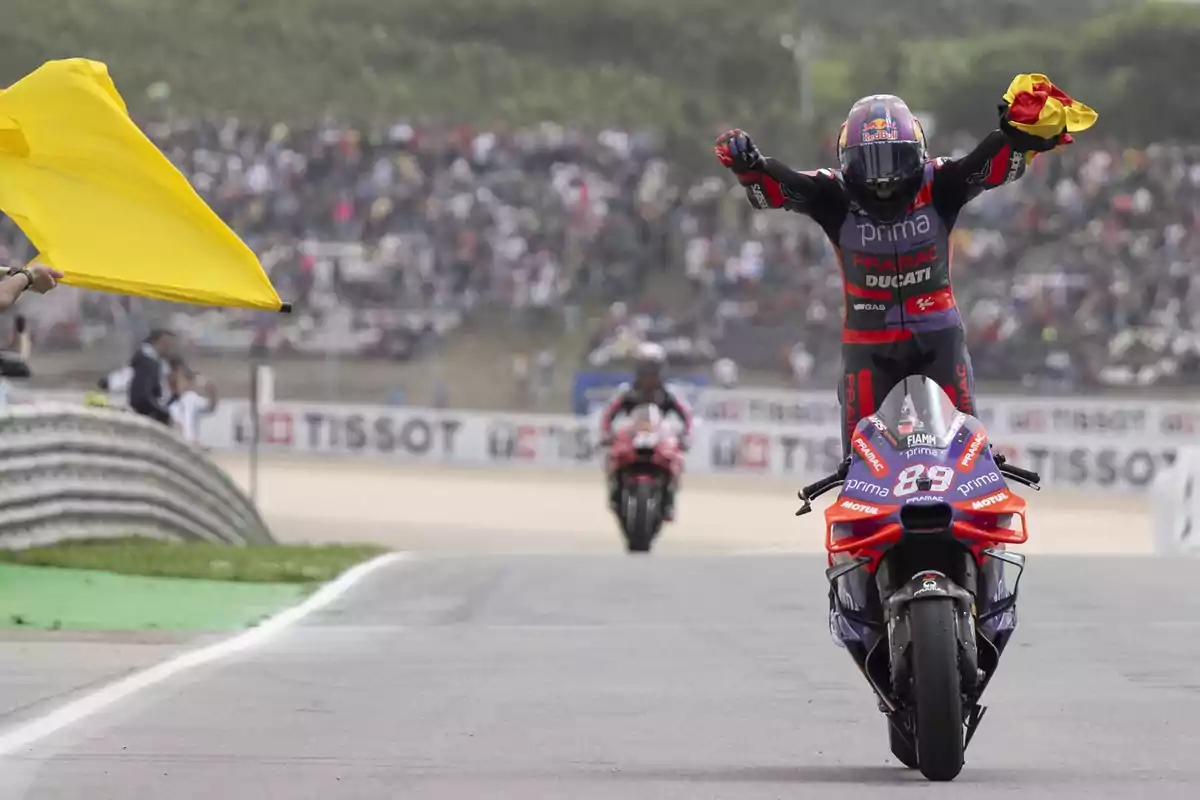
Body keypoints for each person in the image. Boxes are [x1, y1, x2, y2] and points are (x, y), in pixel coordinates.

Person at [714, 93, 1071, 455]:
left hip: (938, 338)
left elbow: (985, 165)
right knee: (857, 460)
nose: (883, 177)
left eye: (894, 158)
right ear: (845, 160)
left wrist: (1018, 137)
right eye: (868, 162)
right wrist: (749, 168)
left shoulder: (941, 181)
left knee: (971, 451)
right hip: (869, 346)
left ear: (917, 152)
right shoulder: (832, 193)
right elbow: (774, 190)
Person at [598, 342, 693, 520]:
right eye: (645, 367)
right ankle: (615, 492)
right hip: (632, 437)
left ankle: (669, 500)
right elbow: (609, 414)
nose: (649, 374)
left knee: (676, 459)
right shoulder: (626, 392)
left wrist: (686, 435)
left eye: (653, 368)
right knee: (612, 456)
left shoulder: (669, 394)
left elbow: (686, 416)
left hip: (659, 439)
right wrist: (606, 433)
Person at [128, 328, 178, 424]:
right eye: (170, 344)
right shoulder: (147, 363)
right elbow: (142, 395)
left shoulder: (158, 363)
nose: (172, 348)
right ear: (161, 342)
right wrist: (163, 415)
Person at [167, 358, 218, 445]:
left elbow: (210, 407)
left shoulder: (190, 398)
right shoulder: (169, 402)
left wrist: (212, 393)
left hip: (191, 444)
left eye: (181, 379)